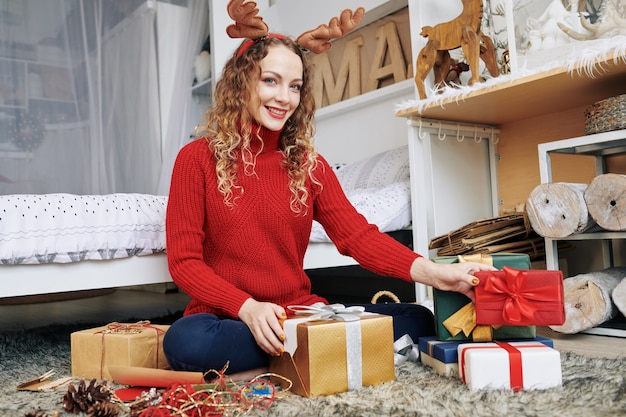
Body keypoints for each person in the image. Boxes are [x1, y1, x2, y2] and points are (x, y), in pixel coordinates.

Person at [163, 32, 496, 381]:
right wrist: (246, 307)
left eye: (295, 86)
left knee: (419, 318)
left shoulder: (309, 165)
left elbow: (359, 237)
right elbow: (184, 263)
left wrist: (435, 273)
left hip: (298, 314)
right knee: (187, 343)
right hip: (227, 317)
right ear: (241, 81)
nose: (283, 97)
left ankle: (295, 350)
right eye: (270, 81)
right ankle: (318, 348)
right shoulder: (196, 159)